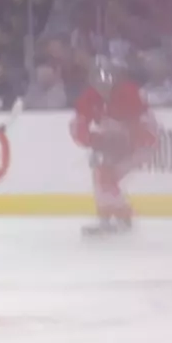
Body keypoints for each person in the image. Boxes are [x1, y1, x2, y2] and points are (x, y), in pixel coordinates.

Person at [70, 56, 158, 238]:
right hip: (115, 143)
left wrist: (126, 143)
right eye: (97, 78)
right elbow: (77, 126)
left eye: (106, 77)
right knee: (101, 175)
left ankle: (122, 217)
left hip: (142, 145)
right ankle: (110, 219)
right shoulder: (89, 97)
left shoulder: (131, 93)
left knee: (106, 177)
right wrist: (93, 141)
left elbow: (146, 127)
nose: (102, 83)